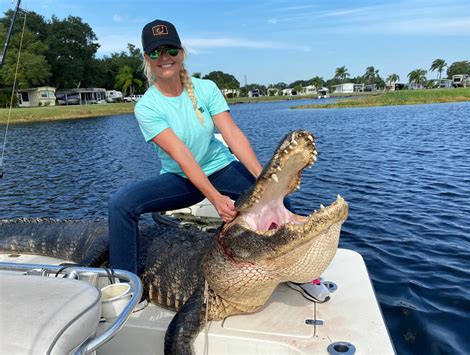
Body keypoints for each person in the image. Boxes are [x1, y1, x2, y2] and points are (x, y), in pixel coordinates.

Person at [108, 19, 329, 303]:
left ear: (181, 53)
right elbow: (182, 157)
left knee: (281, 202)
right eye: (155, 52)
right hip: (181, 178)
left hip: (220, 167)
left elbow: (233, 135)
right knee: (120, 204)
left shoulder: (206, 88)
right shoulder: (146, 107)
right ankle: (127, 282)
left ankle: (301, 275)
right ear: (147, 59)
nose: (164, 58)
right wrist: (214, 197)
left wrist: (266, 181)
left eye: (170, 50)